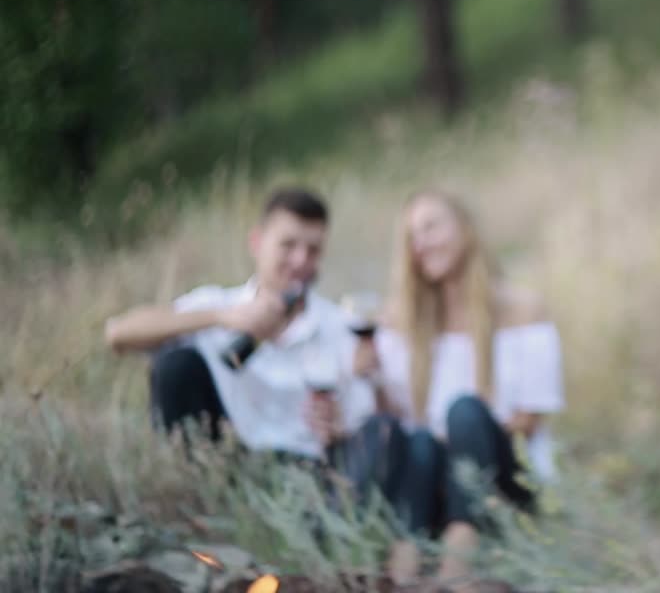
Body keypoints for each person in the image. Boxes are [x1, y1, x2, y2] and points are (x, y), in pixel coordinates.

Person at [103, 186, 403, 506]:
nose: (300, 260)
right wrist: (222, 318)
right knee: (176, 364)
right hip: (225, 460)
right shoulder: (221, 305)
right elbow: (118, 334)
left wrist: (341, 421)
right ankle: (194, 502)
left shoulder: (339, 325)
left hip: (308, 472)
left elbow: (376, 422)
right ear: (257, 243)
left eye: (313, 250)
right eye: (288, 245)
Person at [358, 189, 566, 586]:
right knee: (419, 443)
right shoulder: (403, 324)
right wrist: (369, 375)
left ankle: (456, 569)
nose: (421, 244)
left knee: (465, 412)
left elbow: (529, 422)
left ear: (466, 229)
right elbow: (398, 419)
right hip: (432, 485)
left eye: (431, 227)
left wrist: (459, 446)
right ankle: (403, 573)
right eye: (412, 237)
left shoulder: (524, 311)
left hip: (504, 484)